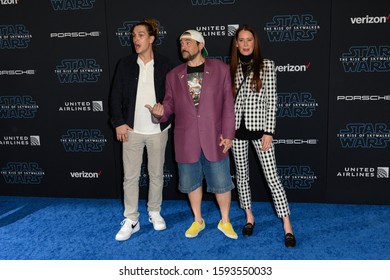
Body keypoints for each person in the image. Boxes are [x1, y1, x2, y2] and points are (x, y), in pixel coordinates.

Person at [146, 30, 238, 239]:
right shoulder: (173, 75)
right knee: (191, 183)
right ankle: (198, 220)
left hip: (215, 138)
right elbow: (168, 104)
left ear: (200, 45)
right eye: (181, 43)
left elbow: (228, 105)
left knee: (222, 183)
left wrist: (229, 134)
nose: (183, 46)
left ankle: (225, 221)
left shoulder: (221, 69)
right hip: (186, 139)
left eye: (188, 42)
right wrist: (159, 113)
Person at [229, 25, 296, 247]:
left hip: (261, 132)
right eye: (242, 40)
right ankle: (249, 217)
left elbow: (272, 101)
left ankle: (287, 224)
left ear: (255, 43)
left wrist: (269, 131)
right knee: (242, 176)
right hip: (237, 131)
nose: (246, 44)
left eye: (250, 40)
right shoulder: (231, 67)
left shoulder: (267, 65)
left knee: (272, 177)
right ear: (236, 43)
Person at [110, 19, 174, 241]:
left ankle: (154, 212)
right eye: (133, 35)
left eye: (140, 35)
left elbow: (172, 99)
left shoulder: (166, 64)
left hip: (158, 130)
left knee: (156, 174)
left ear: (151, 39)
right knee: (130, 177)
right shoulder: (125, 64)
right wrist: (118, 121)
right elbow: (115, 95)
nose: (135, 39)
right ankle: (132, 219)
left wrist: (162, 112)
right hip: (132, 130)